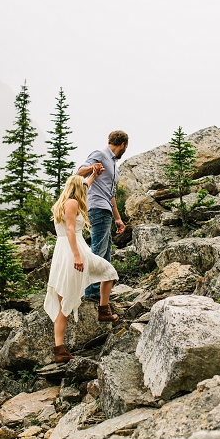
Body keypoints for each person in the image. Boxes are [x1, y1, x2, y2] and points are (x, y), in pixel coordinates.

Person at [44, 172, 120, 364]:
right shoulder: (72, 203)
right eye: (83, 188)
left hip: (64, 253)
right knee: (106, 272)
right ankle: (60, 348)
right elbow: (70, 229)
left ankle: (59, 348)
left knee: (106, 273)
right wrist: (77, 256)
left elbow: (84, 184)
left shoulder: (63, 203)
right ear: (77, 189)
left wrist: (93, 175)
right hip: (73, 252)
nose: (86, 191)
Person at [76, 130, 129, 302]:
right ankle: (91, 292)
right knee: (98, 250)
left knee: (105, 253)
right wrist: (93, 168)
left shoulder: (115, 166)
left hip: (106, 209)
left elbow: (111, 194)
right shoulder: (100, 154)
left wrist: (118, 218)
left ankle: (100, 291)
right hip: (96, 207)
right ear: (123, 145)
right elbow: (79, 172)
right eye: (126, 147)